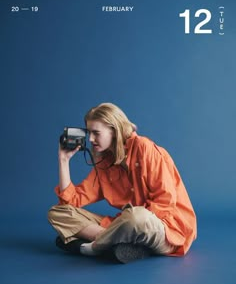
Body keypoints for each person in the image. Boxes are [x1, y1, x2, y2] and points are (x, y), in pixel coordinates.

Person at [48, 102, 197, 264]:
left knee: (136, 216)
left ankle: (94, 247)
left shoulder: (145, 148)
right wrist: (63, 160)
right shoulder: (105, 162)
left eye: (96, 133)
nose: (90, 139)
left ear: (114, 130)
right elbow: (71, 202)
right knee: (57, 213)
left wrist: (128, 224)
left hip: (166, 228)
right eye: (89, 133)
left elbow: (165, 203)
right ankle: (120, 242)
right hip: (127, 224)